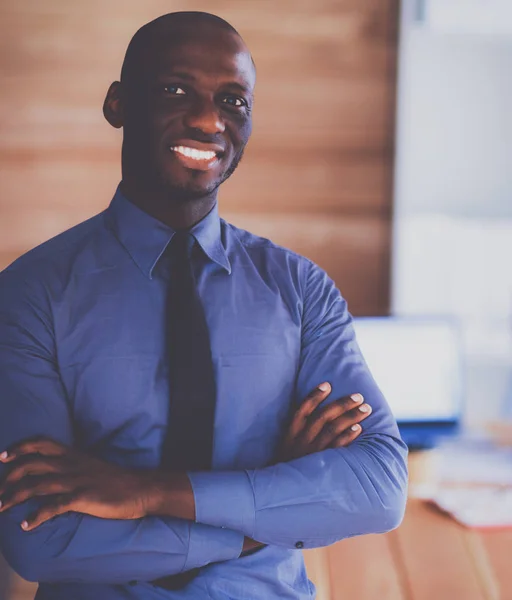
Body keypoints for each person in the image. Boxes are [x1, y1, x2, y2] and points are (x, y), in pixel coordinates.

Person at [0, 11, 408, 600]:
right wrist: (264, 511)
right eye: (175, 90)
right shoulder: (28, 295)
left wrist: (144, 493)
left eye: (233, 101)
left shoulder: (300, 290)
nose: (207, 118)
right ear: (118, 104)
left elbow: (378, 486)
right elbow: (39, 537)